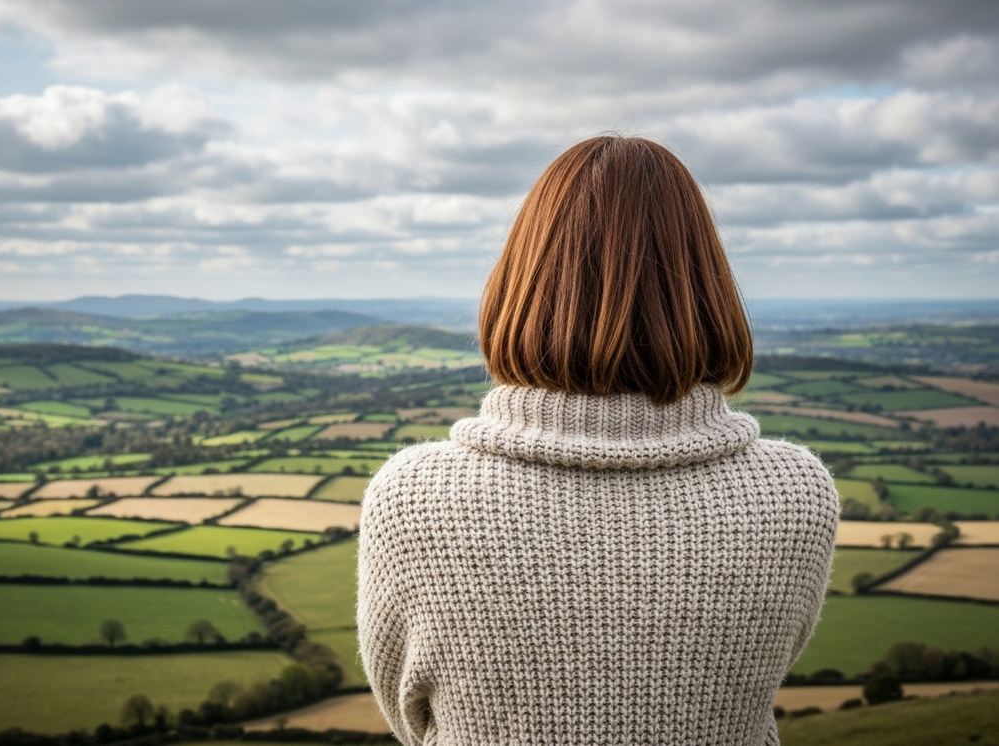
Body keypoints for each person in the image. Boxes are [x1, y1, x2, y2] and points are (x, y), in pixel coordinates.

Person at [357, 136, 839, 745]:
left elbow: (410, 715)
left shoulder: (412, 495)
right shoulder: (795, 492)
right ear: (705, 284)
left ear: (522, 282)